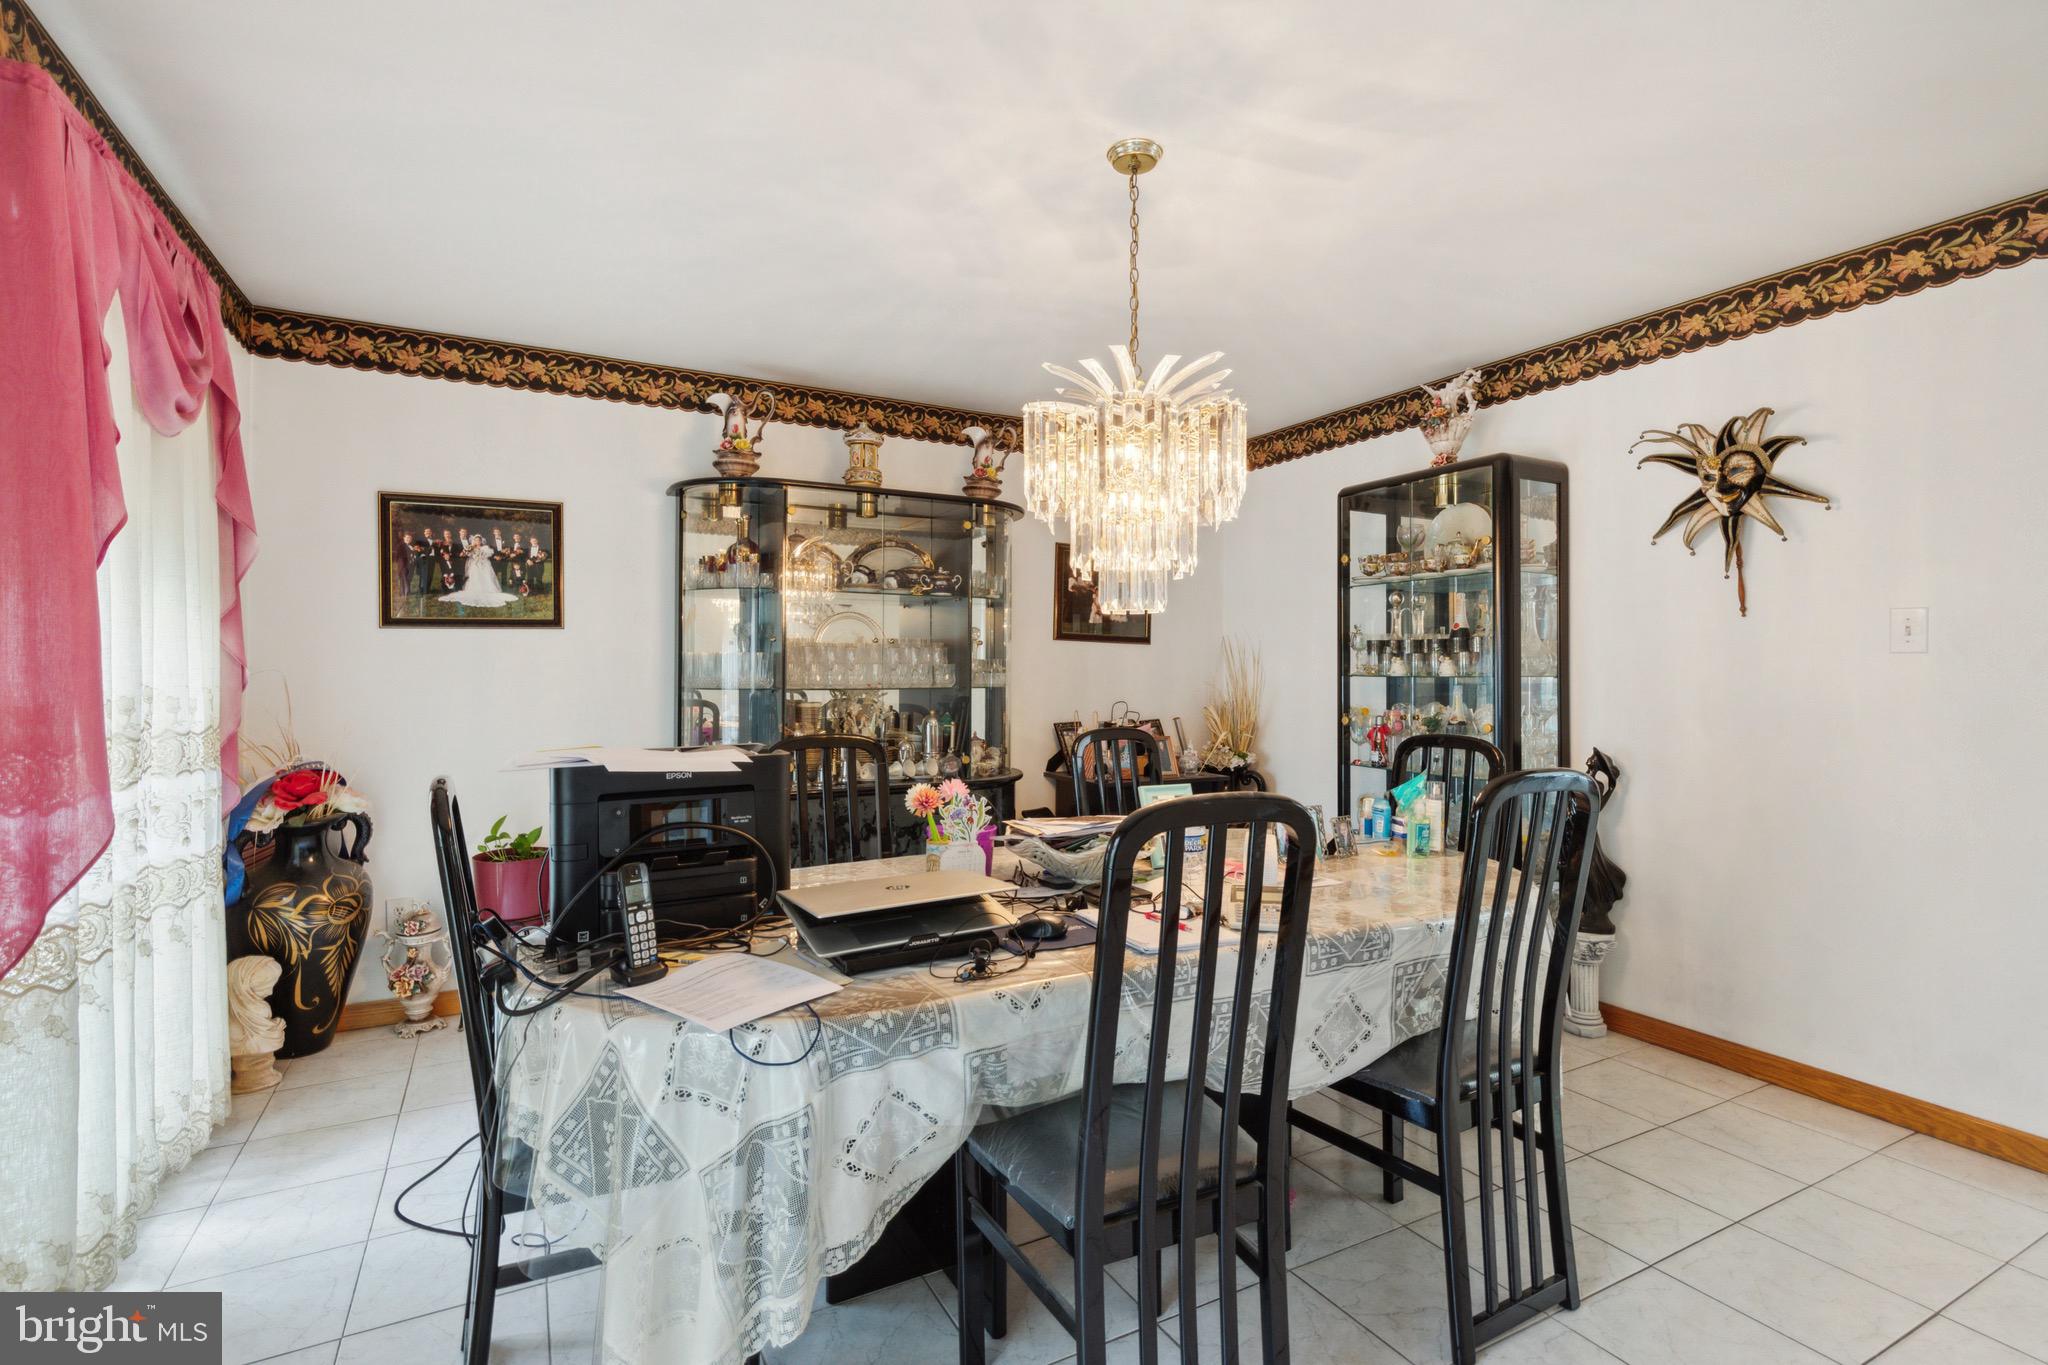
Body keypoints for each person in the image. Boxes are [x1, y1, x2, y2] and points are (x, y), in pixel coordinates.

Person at [442, 534, 519, 608]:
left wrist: (482, 556)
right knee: (474, 577)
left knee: (486, 577)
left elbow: (488, 555)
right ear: (474, 541)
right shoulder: (471, 547)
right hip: (475, 565)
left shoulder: (485, 548)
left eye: (479, 540)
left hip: (484, 565)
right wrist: (469, 552)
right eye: (476, 540)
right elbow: (468, 555)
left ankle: (488, 591)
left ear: (481, 541)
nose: (477, 541)